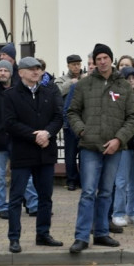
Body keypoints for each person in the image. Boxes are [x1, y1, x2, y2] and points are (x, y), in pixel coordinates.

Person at [66, 43, 134, 254]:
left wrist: (119, 139)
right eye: (98, 58)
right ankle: (81, 236)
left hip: (114, 148)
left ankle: (101, 233)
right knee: (88, 191)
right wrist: (82, 132)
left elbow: (133, 117)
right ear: (94, 62)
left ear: (111, 59)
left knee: (106, 192)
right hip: (90, 147)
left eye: (105, 57)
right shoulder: (84, 85)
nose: (102, 61)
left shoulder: (123, 86)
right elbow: (72, 112)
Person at [2, 57, 64, 253]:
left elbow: (58, 116)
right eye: (31, 69)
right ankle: (14, 238)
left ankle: (43, 234)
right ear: (20, 72)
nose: (36, 72)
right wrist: (33, 136)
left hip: (45, 152)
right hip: (23, 153)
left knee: (45, 196)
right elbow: (10, 123)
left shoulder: (49, 91)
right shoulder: (11, 95)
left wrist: (47, 133)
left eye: (38, 69)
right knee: (17, 197)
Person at [0, 60, 38, 220]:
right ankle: (2, 206)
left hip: (17, 140)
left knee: (25, 175)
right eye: (0, 70)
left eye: (6, 70)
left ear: (11, 73)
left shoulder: (20, 90)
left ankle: (33, 205)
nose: (3, 73)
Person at [113, 66, 134, 228]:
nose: (131, 81)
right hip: (124, 145)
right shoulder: (117, 97)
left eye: (133, 78)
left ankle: (133, 211)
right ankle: (118, 213)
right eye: (128, 78)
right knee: (121, 181)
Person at [58, 54, 84, 191]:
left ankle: (83, 179)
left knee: (84, 154)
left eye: (78, 64)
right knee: (70, 154)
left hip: (84, 122)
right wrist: (72, 83)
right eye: (73, 64)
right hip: (69, 122)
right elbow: (58, 91)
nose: (76, 67)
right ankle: (71, 180)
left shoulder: (86, 78)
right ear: (68, 65)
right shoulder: (62, 80)